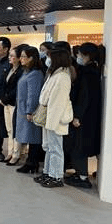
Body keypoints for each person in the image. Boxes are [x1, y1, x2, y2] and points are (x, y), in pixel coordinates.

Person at [64, 43, 102, 188]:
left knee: (78, 147)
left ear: (87, 56)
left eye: (79, 54)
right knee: (78, 146)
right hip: (87, 117)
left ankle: (83, 177)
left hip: (83, 118)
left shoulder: (88, 73)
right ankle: (80, 173)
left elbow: (84, 97)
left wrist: (77, 116)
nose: (77, 57)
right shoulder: (92, 71)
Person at [34, 48, 73, 188]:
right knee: (49, 147)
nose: (47, 60)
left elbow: (58, 103)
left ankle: (56, 176)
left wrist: (51, 123)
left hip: (55, 119)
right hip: (49, 117)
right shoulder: (55, 74)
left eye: (49, 57)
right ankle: (48, 172)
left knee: (56, 148)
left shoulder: (62, 77)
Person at [14, 46, 44, 171]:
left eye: (23, 56)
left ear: (31, 58)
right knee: (28, 135)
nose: (21, 59)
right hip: (23, 108)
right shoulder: (27, 72)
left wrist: (30, 111)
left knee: (33, 136)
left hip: (30, 110)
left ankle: (32, 163)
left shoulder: (35, 74)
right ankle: (30, 162)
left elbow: (33, 95)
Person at [0, 44, 25, 164]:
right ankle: (10, 152)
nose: (9, 58)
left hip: (14, 103)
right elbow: (5, 85)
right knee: (9, 129)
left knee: (15, 130)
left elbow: (16, 89)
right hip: (6, 103)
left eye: (12, 56)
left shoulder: (21, 71)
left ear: (19, 58)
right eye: (9, 55)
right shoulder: (10, 69)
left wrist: (6, 99)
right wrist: (3, 98)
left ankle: (16, 154)